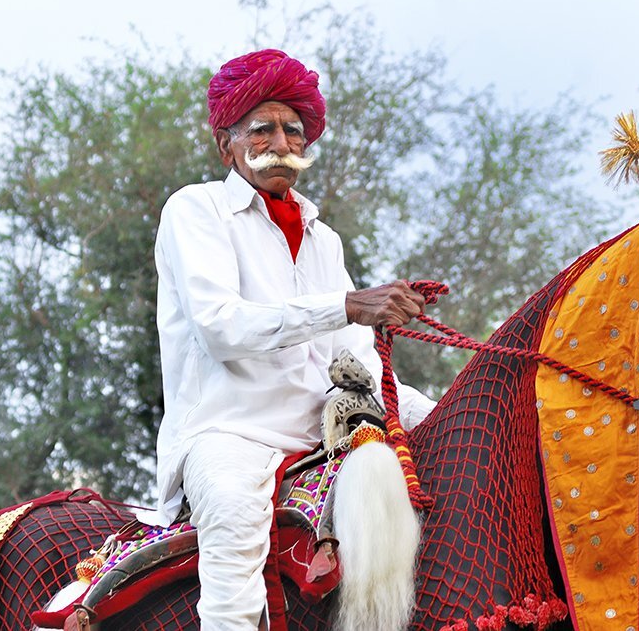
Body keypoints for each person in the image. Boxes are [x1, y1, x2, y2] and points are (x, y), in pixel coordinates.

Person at [137, 48, 436, 630]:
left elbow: (357, 360)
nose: (281, 140)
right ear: (228, 147)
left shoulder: (325, 241)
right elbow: (222, 327)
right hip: (228, 435)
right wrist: (349, 304)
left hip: (319, 439)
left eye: (294, 131)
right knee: (232, 535)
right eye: (263, 128)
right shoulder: (195, 211)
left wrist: (446, 411)